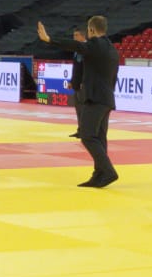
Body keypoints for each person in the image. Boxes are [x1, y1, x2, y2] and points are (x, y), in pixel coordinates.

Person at [37, 16, 120, 188]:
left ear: (91, 30)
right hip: (107, 99)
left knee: (87, 135)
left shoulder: (95, 45)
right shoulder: (111, 48)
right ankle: (99, 174)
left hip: (95, 98)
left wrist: (49, 39)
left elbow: (75, 45)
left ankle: (108, 171)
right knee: (99, 138)